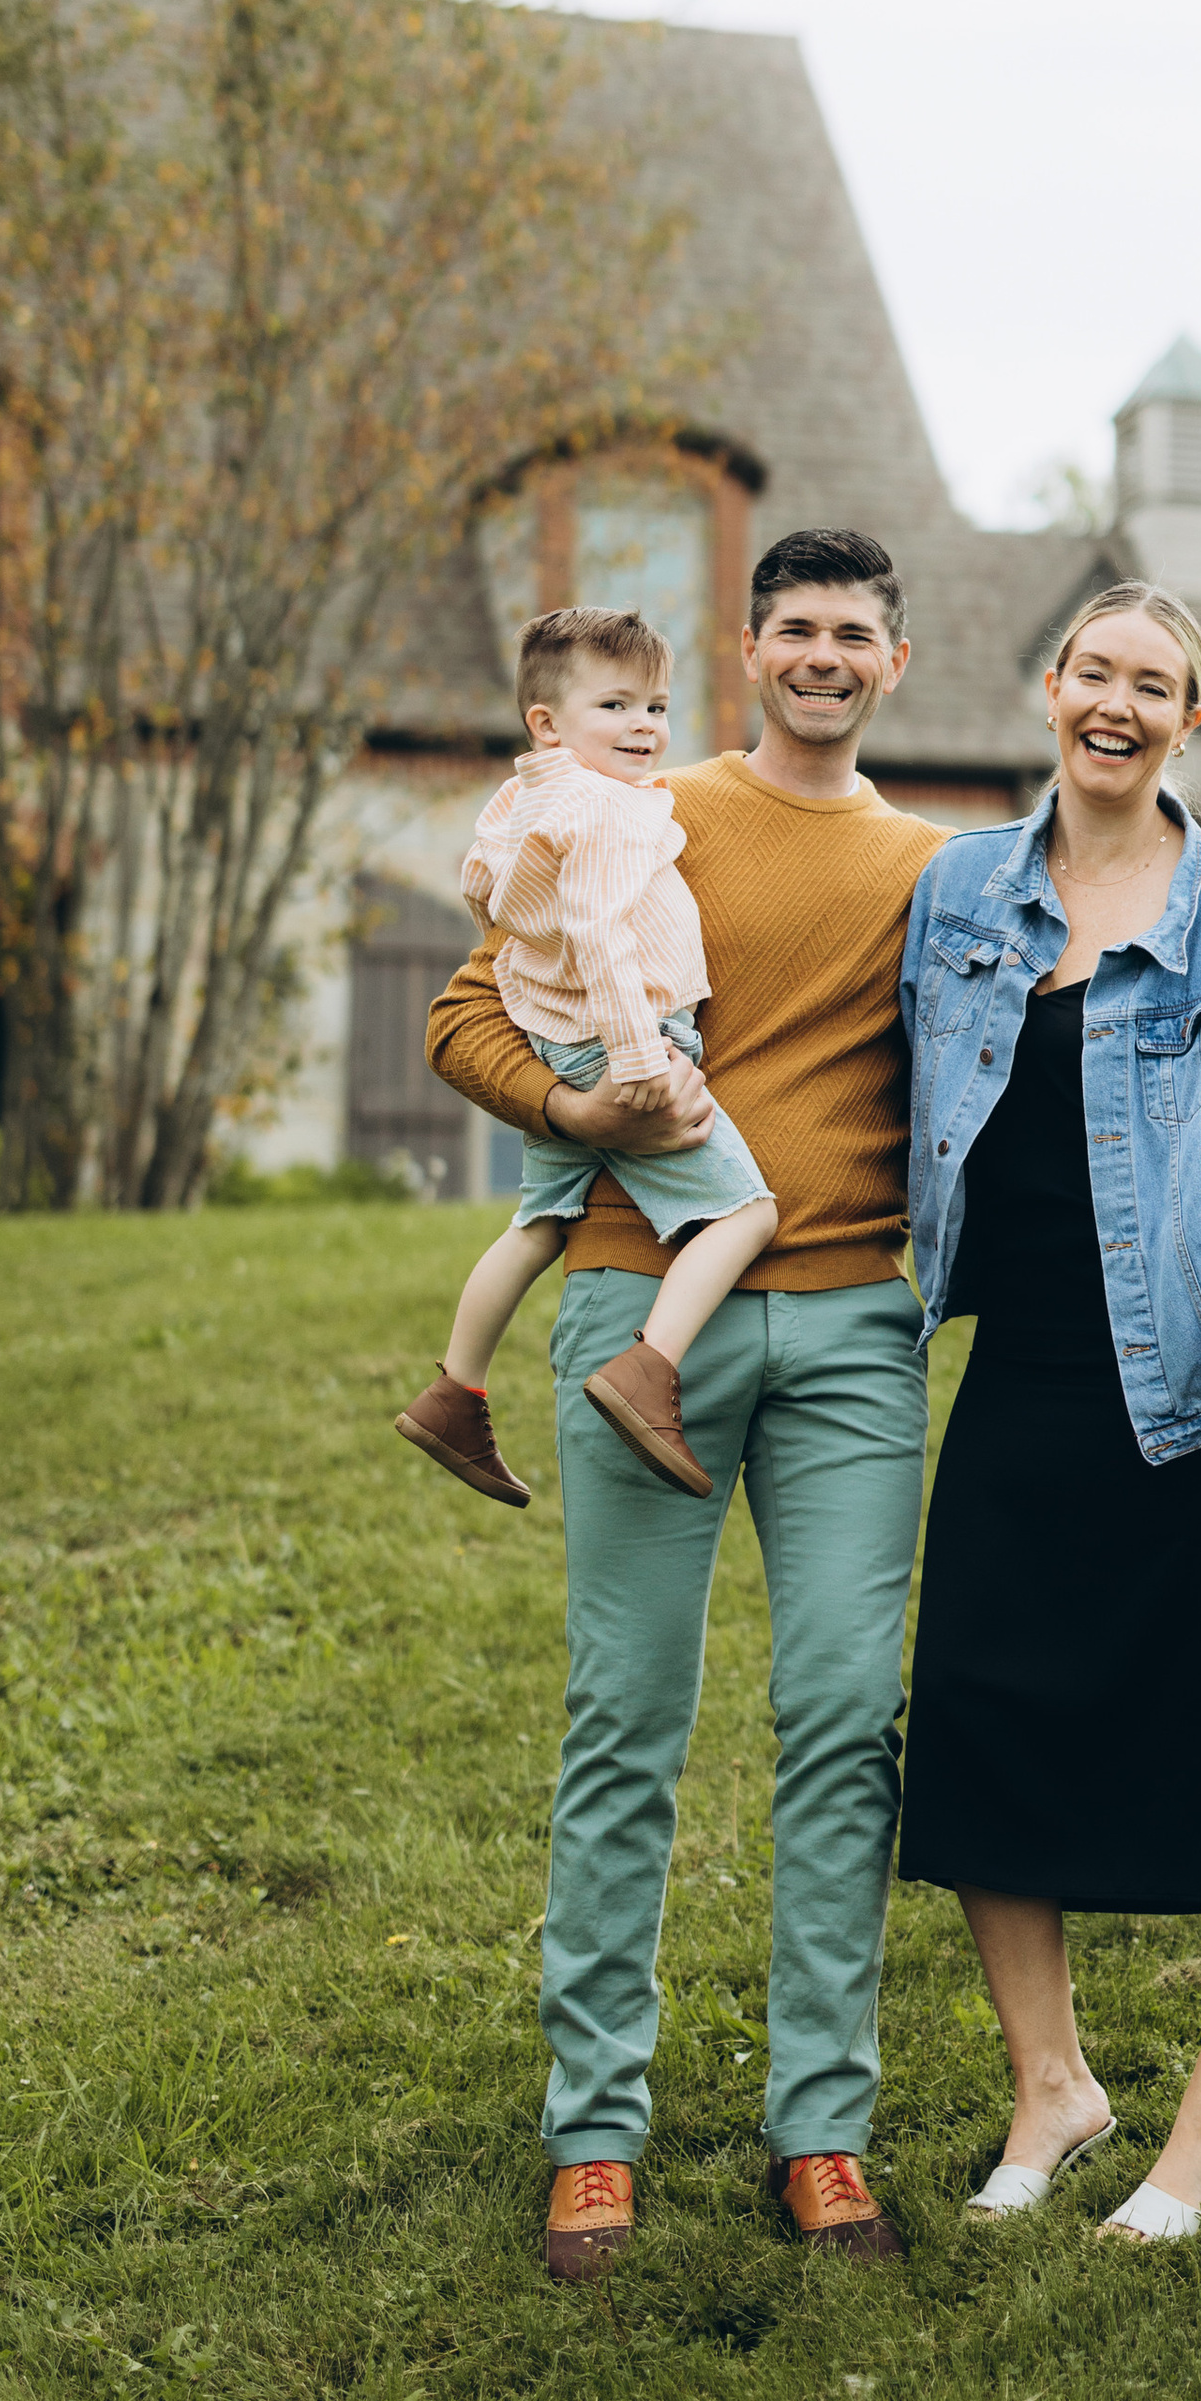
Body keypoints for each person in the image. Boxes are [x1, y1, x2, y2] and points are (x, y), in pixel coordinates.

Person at [421, 530, 943, 2282]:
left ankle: (823, 2128)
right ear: (751, 645)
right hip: (637, 1299)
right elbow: (468, 1011)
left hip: (854, 1322)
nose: (822, 654)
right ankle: (594, 2136)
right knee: (625, 1715)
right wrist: (571, 1118)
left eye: (853, 632)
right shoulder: (646, 803)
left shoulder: (934, 870)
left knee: (847, 1716)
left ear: (894, 663)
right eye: (794, 627)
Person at [898, 579, 1201, 2246]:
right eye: (1096, 672)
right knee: (981, 1712)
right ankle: (1052, 2085)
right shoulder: (958, 890)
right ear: (1050, 689)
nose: (1118, 705)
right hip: (1022, 1367)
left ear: (1187, 722)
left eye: (1155, 684)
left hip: (1189, 1380)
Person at [393, 604, 779, 1507]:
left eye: (656, 707)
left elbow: (482, 882)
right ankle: (650, 1370)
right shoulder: (607, 809)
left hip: (558, 1036)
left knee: (541, 1222)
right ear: (547, 722)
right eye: (615, 706)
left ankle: (455, 1392)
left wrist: (540, 976)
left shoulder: (532, 793)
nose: (643, 727)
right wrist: (638, 1061)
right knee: (746, 1217)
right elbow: (600, 934)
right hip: (624, 1040)